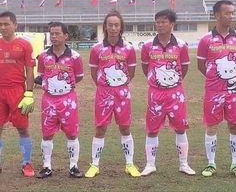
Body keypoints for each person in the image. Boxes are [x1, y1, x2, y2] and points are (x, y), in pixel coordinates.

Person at [85, 10, 140, 178]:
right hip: (103, 92)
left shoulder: (129, 48)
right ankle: (95, 165)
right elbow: (94, 73)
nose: (114, 28)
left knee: (125, 127)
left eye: (117, 25)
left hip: (122, 93)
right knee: (100, 128)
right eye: (110, 25)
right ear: (105, 27)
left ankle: (129, 164)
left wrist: (119, 85)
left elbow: (131, 72)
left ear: (121, 27)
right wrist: (105, 86)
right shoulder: (96, 49)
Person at [140, 9, 195, 176]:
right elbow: (145, 67)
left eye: (164, 21)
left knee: (180, 128)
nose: (160, 25)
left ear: (172, 24)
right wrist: (157, 81)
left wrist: (172, 82)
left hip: (175, 94)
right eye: (158, 22)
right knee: (152, 129)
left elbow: (184, 67)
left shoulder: (181, 45)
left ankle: (184, 164)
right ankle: (150, 164)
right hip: (155, 94)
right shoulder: (148, 45)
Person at [36, 22, 84, 178]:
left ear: (66, 36)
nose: (54, 37)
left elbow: (79, 77)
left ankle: (73, 166)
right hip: (48, 100)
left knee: (71, 134)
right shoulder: (43, 55)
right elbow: (42, 74)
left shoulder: (75, 56)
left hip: (68, 100)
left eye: (57, 33)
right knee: (47, 134)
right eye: (52, 34)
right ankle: (47, 166)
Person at [197, 0, 236, 177]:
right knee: (211, 126)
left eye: (232, 13)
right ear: (217, 15)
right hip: (213, 92)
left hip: (234, 92)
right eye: (227, 13)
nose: (231, 16)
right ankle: (211, 163)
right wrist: (216, 79)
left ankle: (234, 163)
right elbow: (201, 65)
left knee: (234, 126)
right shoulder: (206, 40)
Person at [0, 11, 35, 177]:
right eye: (0, 24)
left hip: (17, 92)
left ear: (15, 25)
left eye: (6, 24)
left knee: (22, 128)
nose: (3, 27)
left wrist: (29, 93)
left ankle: (26, 163)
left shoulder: (24, 45)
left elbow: (29, 70)